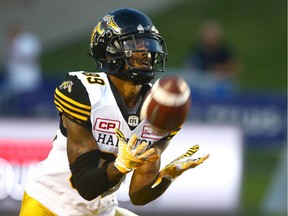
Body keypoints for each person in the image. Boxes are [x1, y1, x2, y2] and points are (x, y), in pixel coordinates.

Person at [19, 8, 209, 216]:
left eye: (149, 44)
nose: (146, 53)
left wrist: (167, 178)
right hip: (51, 204)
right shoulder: (85, 92)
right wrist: (121, 165)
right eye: (135, 45)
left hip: (102, 210)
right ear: (109, 51)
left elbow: (138, 195)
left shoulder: (158, 109)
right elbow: (86, 187)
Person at [184, 20, 239, 95]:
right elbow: (189, 65)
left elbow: (234, 67)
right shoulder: (198, 50)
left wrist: (218, 69)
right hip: (200, 83)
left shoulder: (224, 51)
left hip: (220, 84)